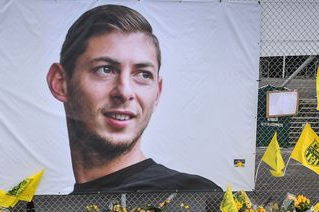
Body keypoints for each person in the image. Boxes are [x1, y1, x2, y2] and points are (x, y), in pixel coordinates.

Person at [46, 4, 220, 193]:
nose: (125, 92)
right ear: (60, 82)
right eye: (105, 69)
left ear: (157, 93)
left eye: (143, 74)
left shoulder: (194, 196)